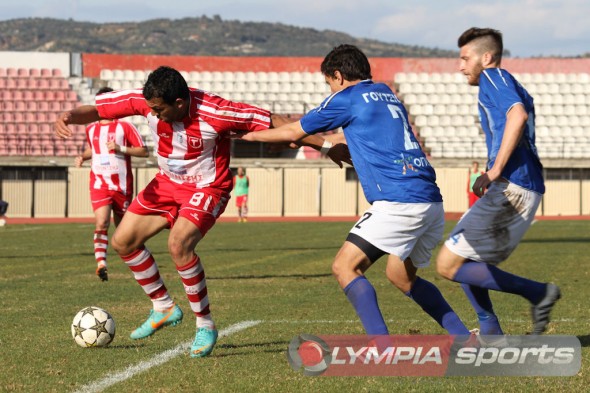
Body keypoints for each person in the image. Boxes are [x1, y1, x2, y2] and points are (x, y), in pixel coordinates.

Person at [55, 66, 321, 358]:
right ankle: (164, 306)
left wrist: (326, 144)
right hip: (167, 184)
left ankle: (205, 325)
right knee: (122, 242)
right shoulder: (148, 101)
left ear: (179, 103)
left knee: (178, 245)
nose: (153, 115)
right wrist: (68, 117)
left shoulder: (216, 111)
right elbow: (97, 110)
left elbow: (275, 121)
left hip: (208, 188)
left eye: (159, 110)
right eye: (151, 109)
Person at [236, 44, 470, 337]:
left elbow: (293, 132)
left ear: (338, 75)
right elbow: (355, 133)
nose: (330, 89)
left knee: (344, 267)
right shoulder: (385, 93)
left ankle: (383, 349)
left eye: (329, 83)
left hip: (398, 201)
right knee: (401, 277)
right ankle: (463, 337)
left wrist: (244, 134)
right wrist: (324, 145)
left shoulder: (347, 97)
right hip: (431, 202)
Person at [436, 27, 560, 336]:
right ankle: (491, 333)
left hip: (513, 186)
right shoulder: (499, 83)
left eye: (465, 58)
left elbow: (517, 116)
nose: (460, 66)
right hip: (516, 185)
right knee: (464, 257)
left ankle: (537, 293)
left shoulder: (494, 77)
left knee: (447, 264)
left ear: (487, 57)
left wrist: (494, 170)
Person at [75, 87, 149, 281]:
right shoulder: (90, 129)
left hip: (122, 186)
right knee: (102, 222)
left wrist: (120, 148)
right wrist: (82, 157)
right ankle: (101, 263)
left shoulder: (125, 127)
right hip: (99, 183)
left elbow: (144, 151)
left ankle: (140, 264)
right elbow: (95, 150)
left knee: (125, 232)